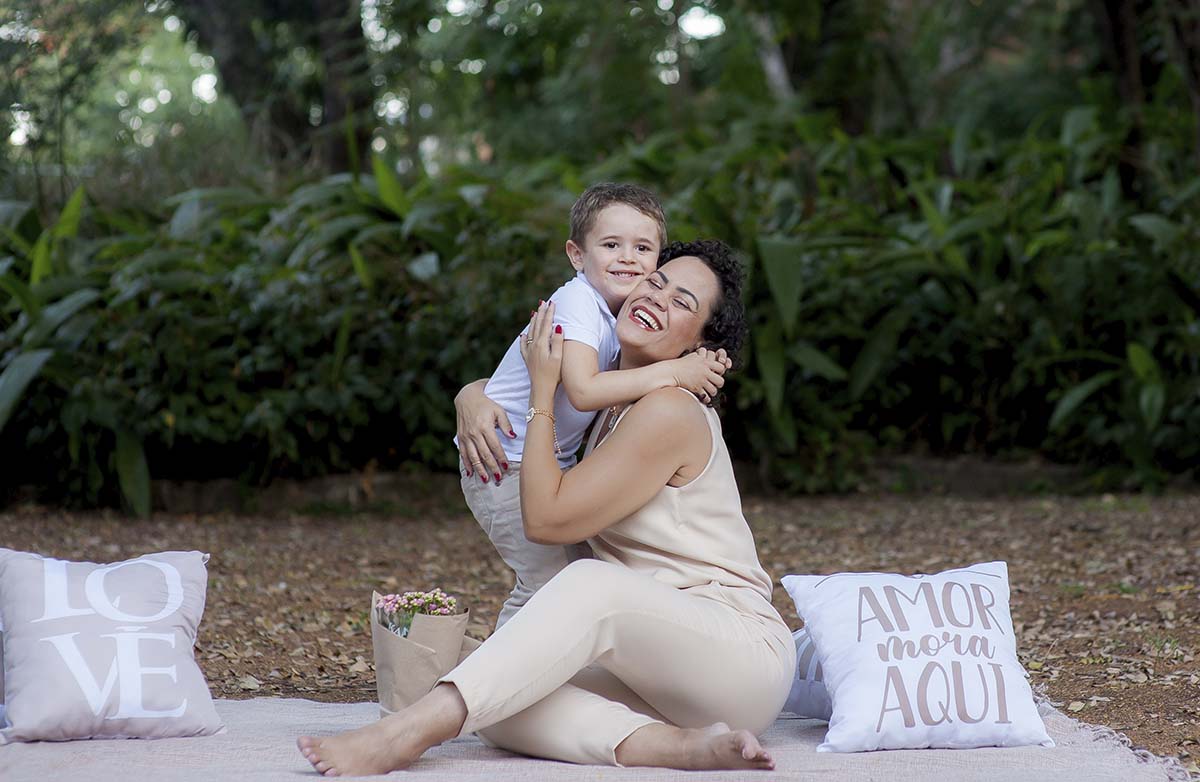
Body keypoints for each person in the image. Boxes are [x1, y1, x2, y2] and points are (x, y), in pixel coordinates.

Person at [298, 240, 795, 775]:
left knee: (585, 586)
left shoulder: (671, 409)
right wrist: (473, 394)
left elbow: (546, 521)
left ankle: (409, 733)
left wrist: (542, 396)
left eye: (683, 302)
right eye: (656, 281)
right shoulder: (608, 394)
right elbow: (524, 393)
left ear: (700, 346)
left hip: (734, 654)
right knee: (502, 690)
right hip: (654, 664)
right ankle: (676, 748)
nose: (658, 296)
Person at [455, 182, 730, 629]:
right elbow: (583, 391)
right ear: (577, 255)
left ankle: (509, 675)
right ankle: (488, 683)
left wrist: (704, 360)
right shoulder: (578, 302)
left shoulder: (611, 316)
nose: (627, 258)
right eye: (610, 245)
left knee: (567, 583)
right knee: (546, 586)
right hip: (499, 464)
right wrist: (676, 373)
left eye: (642, 248)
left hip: (536, 464)